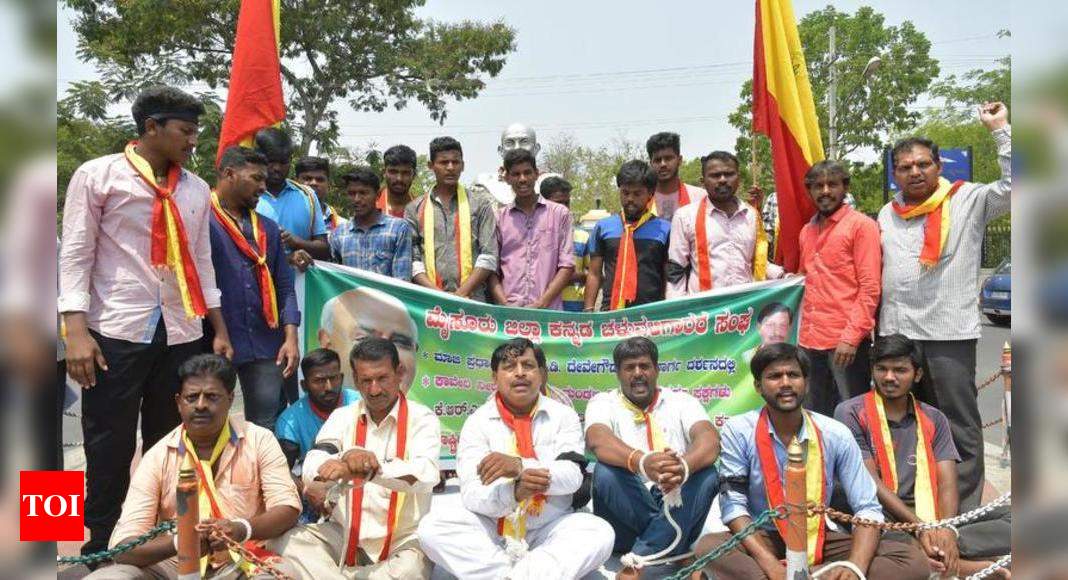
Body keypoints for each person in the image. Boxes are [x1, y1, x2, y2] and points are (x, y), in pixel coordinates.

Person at [59, 86, 233, 559]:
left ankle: (159, 546)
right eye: (186, 130)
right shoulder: (99, 176)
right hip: (115, 330)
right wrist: (74, 330)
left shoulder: (196, 189)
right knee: (107, 445)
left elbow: (201, 262)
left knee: (169, 444)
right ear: (152, 127)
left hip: (180, 330)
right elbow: (76, 253)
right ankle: (100, 548)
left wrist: (217, 328)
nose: (193, 141)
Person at [693, 343, 930, 580]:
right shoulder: (739, 430)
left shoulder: (835, 433)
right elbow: (733, 506)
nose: (785, 383)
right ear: (758, 386)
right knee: (709, 547)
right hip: (764, 537)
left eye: (793, 375)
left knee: (911, 561)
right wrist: (771, 566)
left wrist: (854, 567)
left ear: (806, 382)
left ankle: (811, 575)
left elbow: (867, 508)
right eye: (775, 376)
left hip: (818, 537)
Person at [878, 102, 1011, 511]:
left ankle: (964, 513)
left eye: (923, 164)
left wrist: (1001, 130)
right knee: (902, 425)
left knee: (957, 425)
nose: (914, 172)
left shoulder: (967, 198)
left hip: (948, 334)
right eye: (905, 167)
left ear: (939, 166)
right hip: (898, 334)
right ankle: (912, 507)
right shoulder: (887, 213)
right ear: (894, 174)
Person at [85, 354, 301, 580]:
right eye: (192, 397)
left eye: (211, 397)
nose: (200, 405)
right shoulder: (157, 456)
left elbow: (287, 507)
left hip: (244, 559)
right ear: (179, 403)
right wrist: (182, 542)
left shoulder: (259, 440)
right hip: (172, 566)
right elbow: (123, 546)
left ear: (230, 398)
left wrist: (241, 529)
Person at [418, 338, 614, 580]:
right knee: (433, 528)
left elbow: (573, 477)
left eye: (527, 365)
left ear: (540, 374)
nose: (520, 373)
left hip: (548, 526)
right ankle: (516, 575)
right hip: (493, 527)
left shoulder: (563, 416)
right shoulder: (477, 422)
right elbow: (471, 494)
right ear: (495, 378)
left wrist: (520, 466)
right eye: (509, 367)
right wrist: (515, 492)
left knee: (599, 532)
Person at [834, 335, 1011, 579]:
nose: (889, 377)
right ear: (872, 371)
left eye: (900, 370)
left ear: (917, 375)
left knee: (1015, 517)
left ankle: (944, 553)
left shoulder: (934, 417)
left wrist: (946, 528)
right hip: (883, 515)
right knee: (875, 535)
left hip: (930, 514)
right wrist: (920, 527)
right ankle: (958, 564)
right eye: (881, 369)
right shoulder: (851, 412)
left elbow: (947, 481)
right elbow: (870, 482)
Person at [270, 337, 441, 579]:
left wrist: (372, 469)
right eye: (366, 381)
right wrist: (345, 459)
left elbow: (426, 475)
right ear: (355, 379)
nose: (374, 390)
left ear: (399, 373)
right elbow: (313, 463)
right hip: (345, 534)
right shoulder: (343, 416)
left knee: (411, 569)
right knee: (285, 541)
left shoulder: (422, 418)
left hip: (401, 542)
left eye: (382, 378)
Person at [585, 338, 720, 579]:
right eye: (629, 368)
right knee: (605, 472)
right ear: (618, 373)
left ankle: (639, 559)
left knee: (708, 474)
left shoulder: (682, 401)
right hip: (625, 514)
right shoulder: (602, 402)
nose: (638, 373)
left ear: (656, 370)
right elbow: (598, 439)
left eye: (644, 366)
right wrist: (642, 462)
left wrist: (682, 468)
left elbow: (709, 440)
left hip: (673, 499)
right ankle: (678, 551)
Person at [209, 146, 301, 429]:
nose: (264, 186)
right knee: (208, 421)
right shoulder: (201, 221)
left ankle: (260, 474)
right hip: (214, 341)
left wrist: (291, 337)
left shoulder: (268, 229)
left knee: (264, 424)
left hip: (265, 342)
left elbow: (284, 285)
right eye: (256, 178)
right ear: (229, 174)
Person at [797, 160, 881, 416]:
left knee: (853, 413)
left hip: (845, 342)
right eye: (818, 186)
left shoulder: (861, 226)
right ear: (809, 190)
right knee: (814, 413)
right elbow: (805, 278)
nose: (825, 191)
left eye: (832, 184)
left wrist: (851, 337)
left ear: (845, 187)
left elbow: (870, 287)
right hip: (809, 340)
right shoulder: (806, 231)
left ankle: (859, 458)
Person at [666, 150, 784, 298]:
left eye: (729, 174)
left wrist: (784, 277)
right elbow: (676, 269)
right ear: (703, 181)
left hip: (744, 309)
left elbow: (757, 262)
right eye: (715, 175)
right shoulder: (685, 216)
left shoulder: (752, 215)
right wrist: (677, 311)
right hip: (703, 311)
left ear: (738, 178)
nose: (722, 180)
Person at [406, 136, 498, 302]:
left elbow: (489, 256)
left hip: (473, 301)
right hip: (430, 302)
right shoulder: (414, 208)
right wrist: (439, 295)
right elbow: (414, 262)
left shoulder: (480, 204)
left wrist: (461, 294)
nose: (450, 167)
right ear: (431, 166)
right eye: (443, 162)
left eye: (455, 162)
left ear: (463, 166)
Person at [275, 348, 361, 523]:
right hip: (317, 492)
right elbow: (280, 468)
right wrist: (307, 490)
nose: (328, 387)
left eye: (334, 378)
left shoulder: (361, 404)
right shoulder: (290, 421)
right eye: (319, 381)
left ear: (342, 378)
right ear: (304, 386)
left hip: (362, 484)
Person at [488, 149, 575, 309]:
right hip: (510, 314)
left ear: (536, 174)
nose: (522, 179)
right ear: (507, 177)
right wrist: (505, 304)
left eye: (527, 173)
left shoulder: (560, 214)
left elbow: (567, 265)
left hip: (549, 313)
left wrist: (541, 304)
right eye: (516, 174)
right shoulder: (499, 218)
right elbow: (492, 268)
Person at [584, 160, 672, 311]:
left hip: (650, 314)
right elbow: (594, 274)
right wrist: (588, 310)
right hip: (610, 314)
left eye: (637, 193)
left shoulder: (664, 229)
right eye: (625, 193)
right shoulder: (603, 227)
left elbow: (667, 276)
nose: (630, 198)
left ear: (650, 194)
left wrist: (665, 311)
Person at [253, 127, 330, 267]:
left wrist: (297, 242)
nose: (277, 168)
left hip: (299, 285)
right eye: (271, 161)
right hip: (257, 285)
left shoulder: (307, 195)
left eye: (283, 162)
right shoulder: (247, 195)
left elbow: (324, 250)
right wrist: (286, 258)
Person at [318, 287, 419, 393]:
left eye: (400, 342)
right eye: (364, 339)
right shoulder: (306, 409)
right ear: (327, 344)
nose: (385, 354)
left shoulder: (422, 410)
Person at [328, 167, 414, 281]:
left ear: (377, 195)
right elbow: (334, 279)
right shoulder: (338, 234)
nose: (357, 199)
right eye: (351, 194)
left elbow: (402, 280)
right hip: (351, 298)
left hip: (387, 298)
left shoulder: (398, 229)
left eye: (363, 193)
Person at [540, 176, 590, 313]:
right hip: (544, 311)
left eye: (566, 203)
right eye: (558, 204)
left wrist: (572, 276)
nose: (564, 209)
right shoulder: (534, 238)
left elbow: (595, 275)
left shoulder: (582, 237)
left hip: (573, 312)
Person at [471, 123, 542, 206]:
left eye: (524, 142)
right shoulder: (484, 182)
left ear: (536, 149)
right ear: (501, 151)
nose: (517, 148)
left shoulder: (549, 182)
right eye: (509, 143)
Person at [646, 132, 706, 221]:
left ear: (680, 160)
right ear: (651, 164)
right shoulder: (642, 199)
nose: (663, 164)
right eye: (658, 160)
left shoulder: (700, 197)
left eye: (668, 158)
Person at [295, 156, 347, 232]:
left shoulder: (343, 226)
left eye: (320, 180)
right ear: (295, 182)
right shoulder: (280, 216)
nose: (314, 183)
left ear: (328, 184)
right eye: (307, 179)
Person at [378, 145, 418, 219]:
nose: (399, 179)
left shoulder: (423, 209)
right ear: (384, 172)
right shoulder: (370, 207)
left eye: (405, 173)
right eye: (393, 172)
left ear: (414, 175)